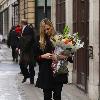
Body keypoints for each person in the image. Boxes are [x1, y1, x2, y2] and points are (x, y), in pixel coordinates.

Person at [35, 18, 68, 100]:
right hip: (46, 72)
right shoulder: (39, 39)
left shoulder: (59, 37)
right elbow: (34, 56)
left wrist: (57, 57)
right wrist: (43, 56)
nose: (46, 31)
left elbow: (68, 56)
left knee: (57, 96)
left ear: (51, 26)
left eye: (48, 29)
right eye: (44, 30)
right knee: (47, 97)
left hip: (58, 71)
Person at [17, 19, 36, 84]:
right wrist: (18, 47)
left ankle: (31, 80)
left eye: (20, 23)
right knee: (22, 64)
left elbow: (29, 39)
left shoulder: (28, 29)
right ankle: (26, 75)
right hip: (24, 50)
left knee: (31, 65)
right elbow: (22, 39)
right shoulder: (23, 29)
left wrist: (24, 49)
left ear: (22, 23)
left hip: (29, 50)